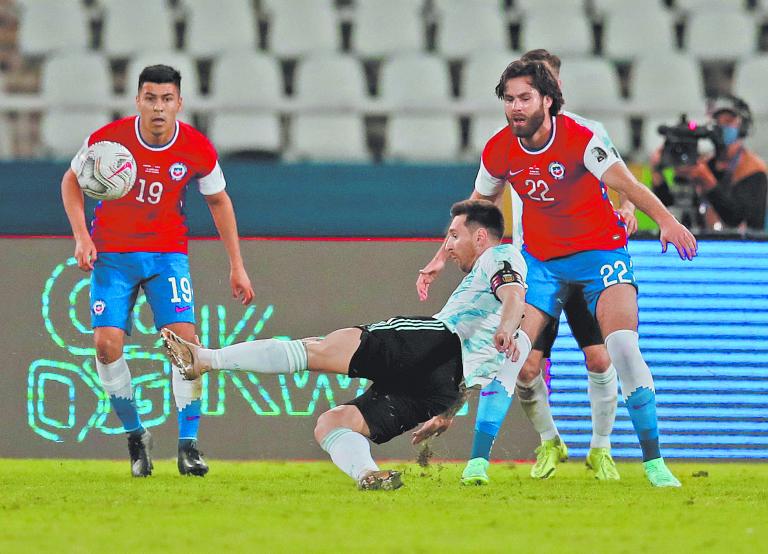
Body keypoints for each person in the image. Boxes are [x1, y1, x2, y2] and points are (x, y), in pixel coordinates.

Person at [426, 60, 698, 488]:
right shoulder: (499, 149)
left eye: (524, 98)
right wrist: (444, 254)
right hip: (542, 263)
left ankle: (652, 463)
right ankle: (478, 463)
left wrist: (664, 220)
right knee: (513, 352)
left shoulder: (582, 137)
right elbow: (475, 209)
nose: (515, 107)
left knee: (621, 348)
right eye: (509, 99)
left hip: (600, 255)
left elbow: (626, 184)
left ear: (548, 101)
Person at [162, 200, 529, 490]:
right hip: (444, 389)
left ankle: (205, 359)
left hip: (435, 341)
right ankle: (368, 475)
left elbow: (513, 295)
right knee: (332, 423)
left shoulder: (501, 256)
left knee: (316, 351)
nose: (448, 247)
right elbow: (480, 358)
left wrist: (509, 328)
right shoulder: (493, 302)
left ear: (480, 237)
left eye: (453, 236)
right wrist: (447, 412)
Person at [60, 64, 255, 477]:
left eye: (167, 99)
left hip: (167, 256)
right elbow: (70, 181)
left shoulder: (197, 147)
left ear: (179, 103)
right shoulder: (107, 140)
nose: (159, 107)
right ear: (138, 101)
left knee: (185, 345)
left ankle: (188, 446)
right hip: (112, 255)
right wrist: (82, 236)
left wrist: (237, 265)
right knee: (106, 346)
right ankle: (136, 436)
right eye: (150, 98)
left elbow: (219, 201)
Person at [651, 94, 767, 233]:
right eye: (717, 121)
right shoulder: (705, 165)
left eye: (728, 121)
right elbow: (671, 204)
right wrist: (658, 173)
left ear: (743, 126)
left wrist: (707, 181)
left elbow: (741, 219)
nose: (722, 126)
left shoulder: (754, 169)